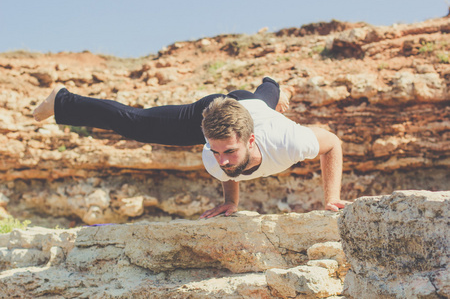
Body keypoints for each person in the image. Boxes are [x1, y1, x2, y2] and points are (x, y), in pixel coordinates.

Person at [33, 77, 350, 218]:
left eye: (229, 153)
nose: (222, 162)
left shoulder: (289, 141)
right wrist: (231, 197)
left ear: (250, 141)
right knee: (138, 124)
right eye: (217, 152)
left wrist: (331, 197)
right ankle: (61, 100)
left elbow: (332, 144)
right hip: (212, 108)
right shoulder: (211, 156)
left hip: (255, 108)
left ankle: (275, 85)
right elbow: (226, 167)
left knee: (262, 97)